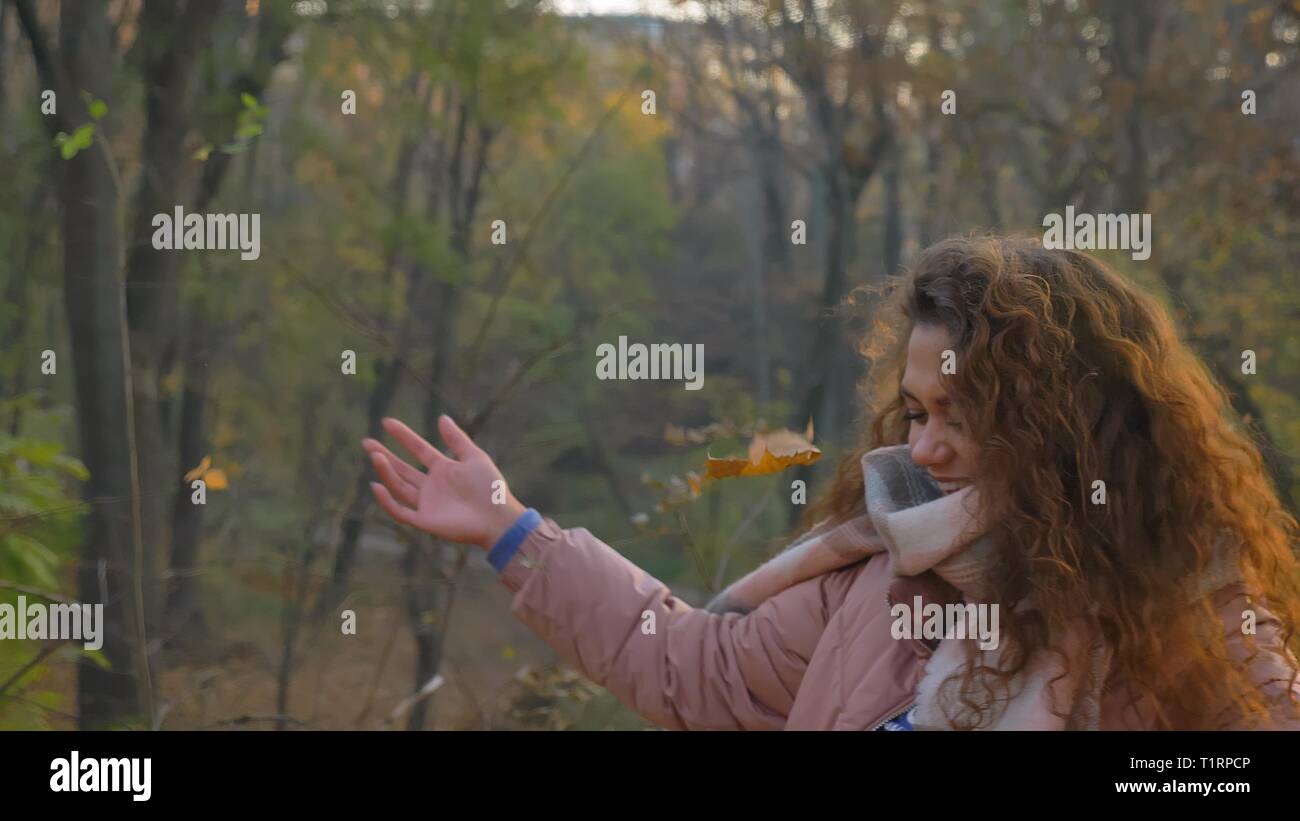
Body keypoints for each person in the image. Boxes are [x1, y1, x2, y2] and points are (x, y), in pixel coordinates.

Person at [362, 235, 1300, 730]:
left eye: (963, 420)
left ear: (1061, 429)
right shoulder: (876, 574)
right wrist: (515, 531)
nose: (926, 449)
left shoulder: (1191, 603)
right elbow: (698, 671)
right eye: (919, 412)